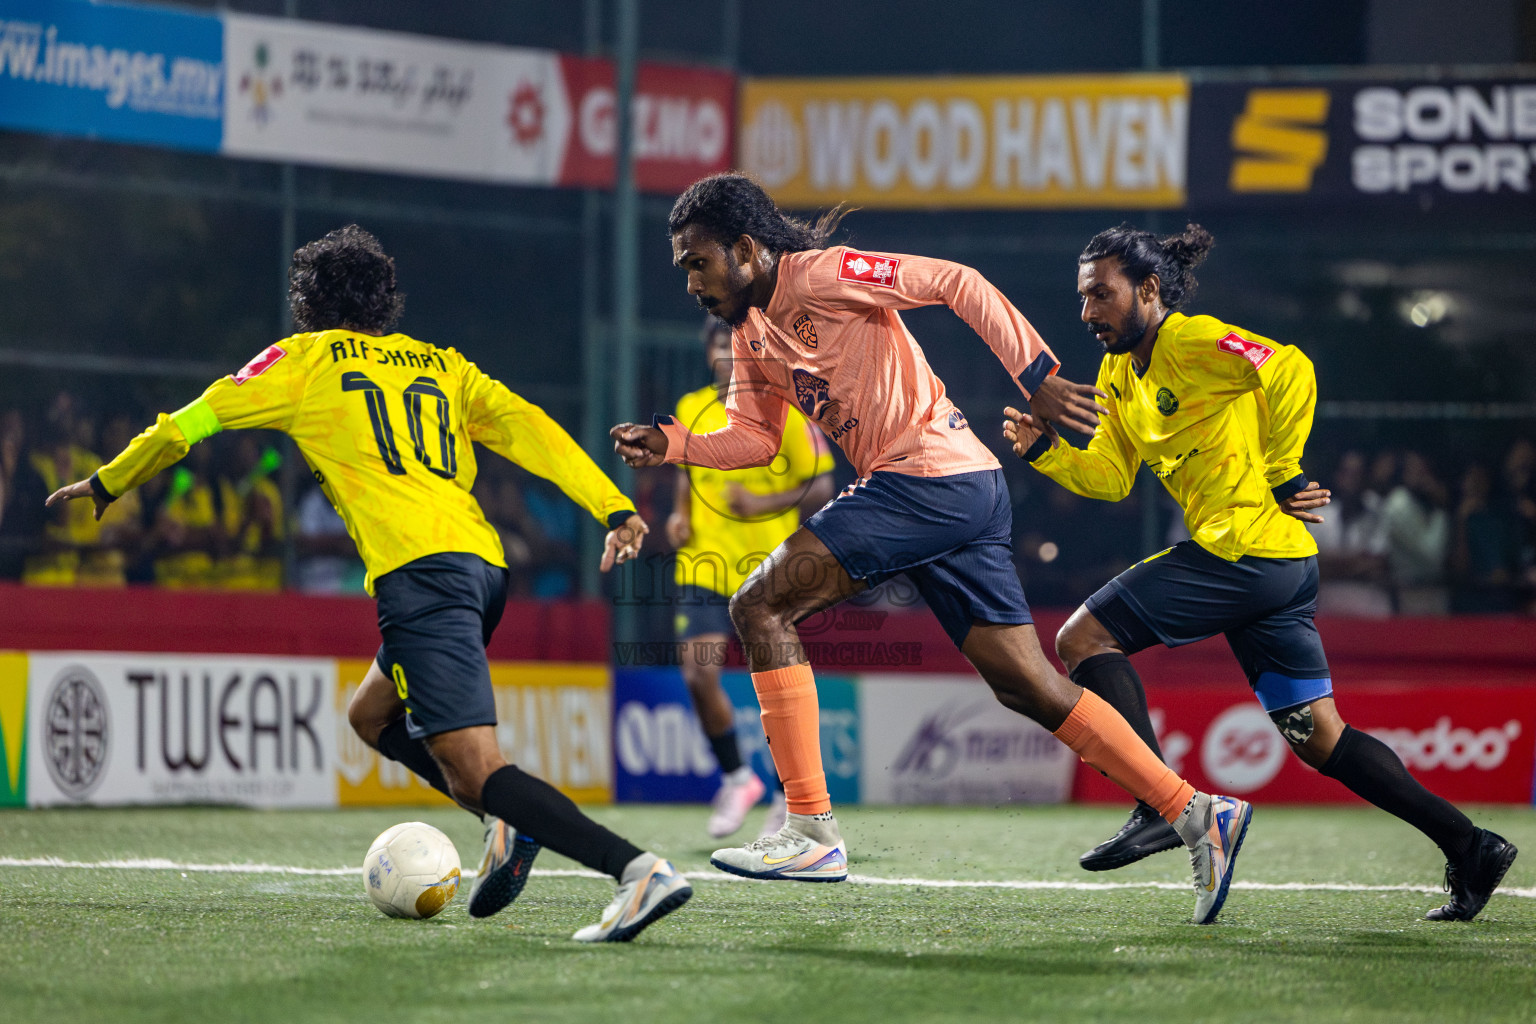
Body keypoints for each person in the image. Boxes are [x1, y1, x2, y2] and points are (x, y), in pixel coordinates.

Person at [612, 173, 1252, 925]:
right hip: (958, 490)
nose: (690, 282)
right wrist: (676, 442)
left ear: (746, 250)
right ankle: (1196, 811)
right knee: (1030, 687)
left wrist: (1037, 373)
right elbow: (753, 438)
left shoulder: (823, 274)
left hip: (928, 481)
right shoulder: (754, 337)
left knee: (759, 605)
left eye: (697, 263)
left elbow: (956, 281)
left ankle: (812, 829)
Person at [47, 224, 691, 943]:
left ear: (307, 302)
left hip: (422, 575)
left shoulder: (303, 360)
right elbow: (532, 429)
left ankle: (635, 871)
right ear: (385, 302)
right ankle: (506, 825)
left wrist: (111, 480)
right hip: (483, 565)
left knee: (476, 766)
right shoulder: (442, 364)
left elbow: (188, 425)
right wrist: (614, 505)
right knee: (370, 716)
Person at [1004, 222, 1517, 922]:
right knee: (1320, 739)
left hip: (1243, 552)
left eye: (1102, 295)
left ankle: (1160, 804)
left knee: (1082, 639)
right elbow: (1115, 477)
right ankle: (1471, 846)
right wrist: (1045, 455)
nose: (1087, 312)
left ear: (1149, 290)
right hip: (1271, 567)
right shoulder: (1120, 373)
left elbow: (1289, 367)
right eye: (1082, 296)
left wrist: (1281, 470)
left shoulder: (1188, 340)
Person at [667, 317, 835, 840]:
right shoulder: (692, 407)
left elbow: (823, 484)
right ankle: (738, 778)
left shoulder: (785, 409)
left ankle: (791, 796)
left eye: (733, 348)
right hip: (703, 561)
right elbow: (683, 467)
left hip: (770, 569)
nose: (725, 356)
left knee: (776, 687)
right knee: (698, 673)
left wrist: (762, 502)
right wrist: (679, 513)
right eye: (718, 346)